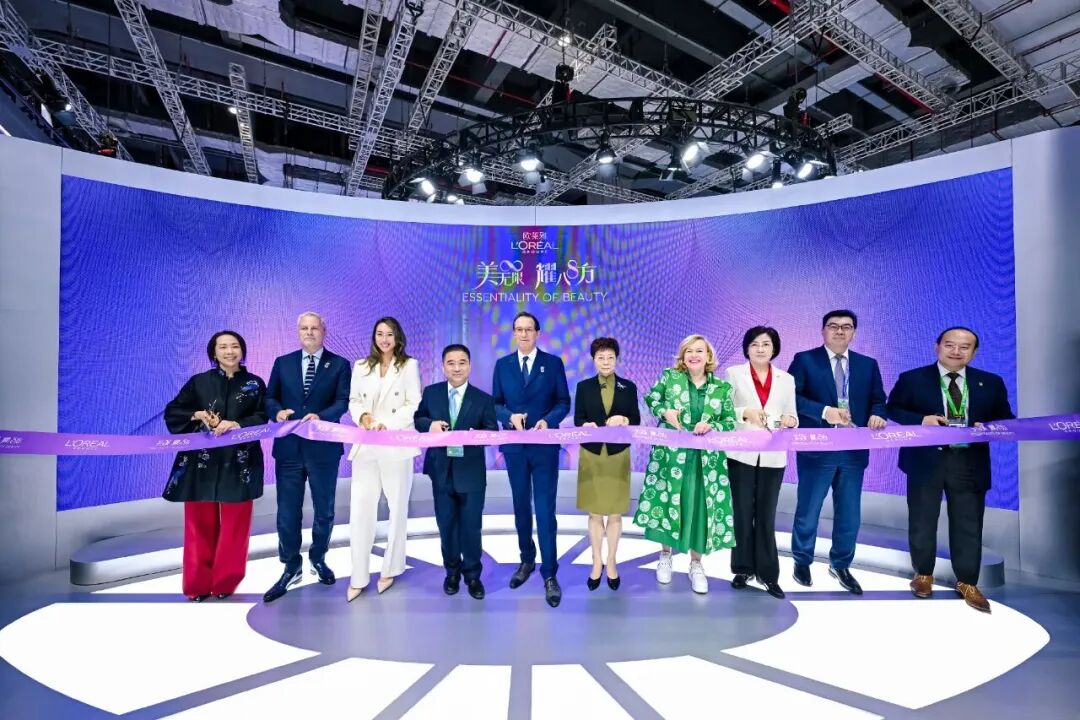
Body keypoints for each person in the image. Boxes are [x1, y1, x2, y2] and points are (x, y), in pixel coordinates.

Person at [886, 327, 1015, 613]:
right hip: (925, 461)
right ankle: (923, 574)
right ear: (937, 347)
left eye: (964, 347)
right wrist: (922, 420)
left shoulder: (990, 382)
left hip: (969, 463)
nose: (956, 351)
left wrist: (990, 427)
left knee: (969, 524)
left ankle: (967, 582)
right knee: (922, 520)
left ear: (974, 352)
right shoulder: (912, 378)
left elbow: (1006, 418)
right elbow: (892, 408)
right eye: (949, 345)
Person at [788, 310, 887, 594]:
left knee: (849, 513)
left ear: (854, 332)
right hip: (818, 448)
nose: (840, 331)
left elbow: (879, 400)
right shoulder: (805, 360)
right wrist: (824, 411)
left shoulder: (867, 364)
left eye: (847, 327)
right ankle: (802, 560)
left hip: (853, 449)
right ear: (823, 331)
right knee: (809, 509)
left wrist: (877, 414)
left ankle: (841, 564)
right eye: (833, 326)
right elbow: (792, 398)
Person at [163, 330, 266, 602]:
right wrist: (197, 415)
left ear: (242, 351)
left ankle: (225, 582)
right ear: (213, 353)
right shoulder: (199, 382)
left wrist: (237, 424)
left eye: (234, 346)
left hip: (240, 462)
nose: (229, 351)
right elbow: (173, 412)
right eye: (223, 347)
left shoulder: (255, 383)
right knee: (198, 525)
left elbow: (263, 416)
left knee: (235, 527)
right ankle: (197, 585)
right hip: (200, 463)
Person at [632, 334, 737, 595]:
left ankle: (696, 564)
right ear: (682, 356)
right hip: (671, 457)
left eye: (699, 350)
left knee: (699, 507)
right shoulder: (670, 378)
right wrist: (664, 412)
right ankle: (665, 556)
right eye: (689, 351)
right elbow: (652, 398)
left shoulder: (721, 388)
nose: (694, 355)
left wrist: (712, 426)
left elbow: (730, 421)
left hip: (706, 463)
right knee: (668, 502)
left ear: (708, 356)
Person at [262, 312, 351, 603]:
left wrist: (321, 417)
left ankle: (318, 558)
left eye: (314, 328)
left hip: (323, 449)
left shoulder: (339, 364)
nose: (309, 332)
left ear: (324, 331)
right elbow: (270, 397)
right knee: (287, 512)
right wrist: (277, 412)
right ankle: (291, 565)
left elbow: (342, 401)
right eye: (304, 328)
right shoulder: (283, 362)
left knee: (324, 509)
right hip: (289, 449)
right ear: (298, 332)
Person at [492, 311, 571, 608]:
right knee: (520, 506)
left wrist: (548, 421)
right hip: (515, 448)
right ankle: (526, 560)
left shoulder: (553, 364)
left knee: (545, 509)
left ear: (538, 333)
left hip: (544, 447)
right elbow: (496, 403)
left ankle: (549, 572)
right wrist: (508, 417)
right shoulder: (503, 365)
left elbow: (563, 401)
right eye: (519, 329)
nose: (523, 334)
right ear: (513, 333)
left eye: (529, 329)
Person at [414, 344, 498, 600]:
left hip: (470, 473)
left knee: (471, 527)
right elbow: (418, 419)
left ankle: (472, 576)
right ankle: (451, 572)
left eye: (462, 362)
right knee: (446, 525)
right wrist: (430, 425)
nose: (457, 368)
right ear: (443, 367)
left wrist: (476, 436)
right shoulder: (432, 393)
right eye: (451, 363)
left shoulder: (483, 399)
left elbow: (492, 432)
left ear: (469, 366)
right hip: (441, 471)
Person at [346, 317, 421, 601]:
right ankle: (358, 575)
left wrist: (386, 425)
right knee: (360, 511)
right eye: (380, 334)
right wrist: (364, 418)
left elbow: (413, 403)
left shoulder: (409, 365)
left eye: (390, 334)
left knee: (397, 509)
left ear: (398, 337)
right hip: (366, 445)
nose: (384, 339)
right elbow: (354, 401)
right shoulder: (361, 366)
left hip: (396, 445)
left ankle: (390, 569)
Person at [725, 326, 798, 599]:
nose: (760, 348)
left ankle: (768, 574)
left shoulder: (786, 379)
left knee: (766, 516)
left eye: (766, 344)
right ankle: (742, 569)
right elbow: (724, 411)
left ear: (774, 348)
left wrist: (791, 420)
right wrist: (745, 413)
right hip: (741, 455)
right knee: (743, 513)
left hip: (773, 455)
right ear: (746, 348)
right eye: (754, 344)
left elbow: (792, 414)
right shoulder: (733, 374)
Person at [574, 337, 640, 592]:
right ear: (593, 360)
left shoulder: (628, 387)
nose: (605, 362)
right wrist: (585, 425)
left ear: (616, 360)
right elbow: (578, 418)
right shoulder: (583, 387)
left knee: (614, 513)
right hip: (592, 454)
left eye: (610, 357)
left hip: (617, 455)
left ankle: (611, 562)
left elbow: (635, 419)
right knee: (594, 513)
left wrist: (624, 419)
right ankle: (596, 562)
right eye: (600, 357)